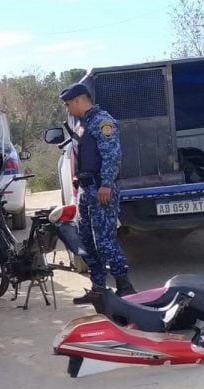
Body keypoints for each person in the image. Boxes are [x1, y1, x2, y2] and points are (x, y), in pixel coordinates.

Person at [58, 83, 136, 304]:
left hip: (101, 189)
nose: (67, 109)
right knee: (87, 240)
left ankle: (125, 286)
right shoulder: (84, 123)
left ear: (78, 101)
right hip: (86, 189)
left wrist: (107, 184)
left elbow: (112, 155)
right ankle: (99, 288)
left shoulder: (102, 121)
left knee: (104, 241)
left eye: (67, 104)